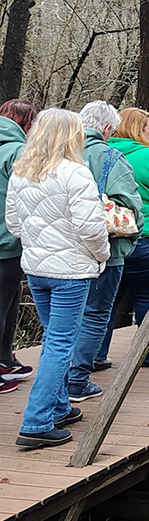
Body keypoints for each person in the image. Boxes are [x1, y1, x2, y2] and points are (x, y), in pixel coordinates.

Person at [6, 109, 109, 447]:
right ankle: (36, 422)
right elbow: (91, 228)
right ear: (73, 136)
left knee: (53, 337)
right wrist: (102, 256)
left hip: (36, 269)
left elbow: (14, 225)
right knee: (61, 342)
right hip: (70, 271)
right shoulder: (76, 174)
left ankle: (60, 405)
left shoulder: (22, 172)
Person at [67, 102, 144, 402]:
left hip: (57, 253)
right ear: (108, 129)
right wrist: (133, 233)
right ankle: (77, 380)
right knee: (96, 313)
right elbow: (130, 206)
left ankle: (57, 382)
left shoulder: (54, 152)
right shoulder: (111, 156)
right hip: (103, 251)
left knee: (64, 318)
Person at [98, 108, 149, 368]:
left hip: (110, 238)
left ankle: (95, 355)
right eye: (148, 127)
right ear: (136, 129)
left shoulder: (103, 153)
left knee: (106, 301)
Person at [0, 99, 38, 392]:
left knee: (12, 300)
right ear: (26, 123)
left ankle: (5, 359)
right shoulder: (17, 151)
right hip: (6, 241)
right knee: (4, 303)